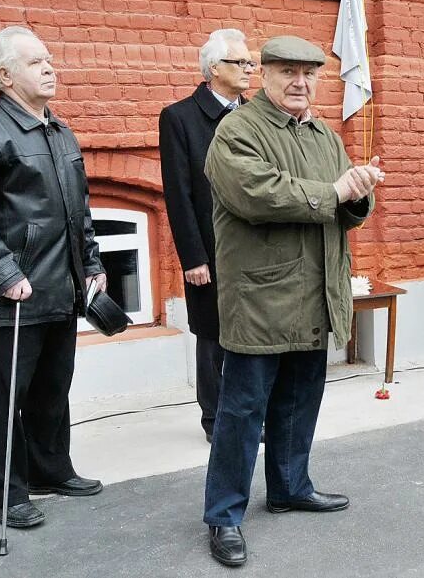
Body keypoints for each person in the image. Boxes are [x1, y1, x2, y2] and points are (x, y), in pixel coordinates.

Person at [202, 36, 382, 567]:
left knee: (301, 401)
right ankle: (224, 515)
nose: (299, 82)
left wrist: (361, 190)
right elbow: (257, 194)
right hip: (261, 298)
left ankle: (289, 487)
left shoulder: (326, 135)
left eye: (308, 73)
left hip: (316, 292)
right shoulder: (237, 130)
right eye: (287, 72)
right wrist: (337, 193)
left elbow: (347, 207)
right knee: (242, 411)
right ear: (263, 75)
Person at [0, 26, 107, 528]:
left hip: (64, 286)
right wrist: (4, 272)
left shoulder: (60, 131)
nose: (50, 67)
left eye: (50, 58)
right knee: (7, 397)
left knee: (54, 389)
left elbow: (79, 211)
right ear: (5, 74)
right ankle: (4, 493)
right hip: (15, 292)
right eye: (37, 61)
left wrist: (94, 265)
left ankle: (50, 470)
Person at [159, 29, 255, 442]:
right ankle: (216, 420)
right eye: (241, 62)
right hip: (211, 249)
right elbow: (177, 194)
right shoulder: (180, 117)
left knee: (252, 333)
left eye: (251, 63)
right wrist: (193, 257)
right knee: (214, 336)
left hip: (255, 247)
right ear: (214, 68)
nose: (250, 69)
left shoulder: (256, 114)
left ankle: (250, 413)